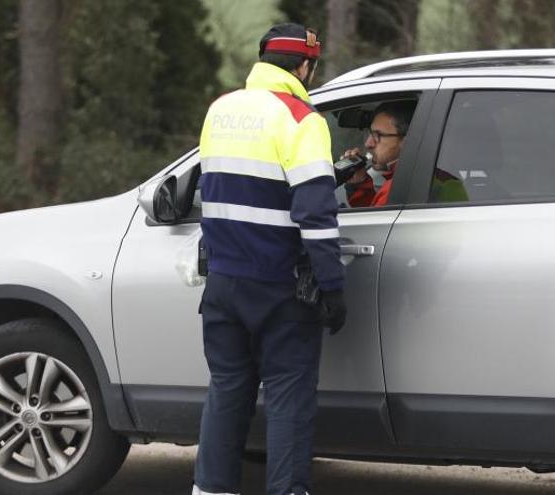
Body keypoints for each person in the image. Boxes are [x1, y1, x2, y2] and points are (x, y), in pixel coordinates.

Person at [193, 23, 345, 495]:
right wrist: (333, 287)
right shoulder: (302, 119)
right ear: (305, 66)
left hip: (222, 282)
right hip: (279, 286)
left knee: (227, 392)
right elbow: (316, 212)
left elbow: (214, 190)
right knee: (287, 400)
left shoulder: (220, 111)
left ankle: (211, 490)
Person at [342, 101, 467, 207]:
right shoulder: (440, 178)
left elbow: (368, 230)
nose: (368, 143)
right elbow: (374, 213)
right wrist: (359, 183)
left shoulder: (399, 189)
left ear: (407, 142)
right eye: (370, 133)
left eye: (378, 135)